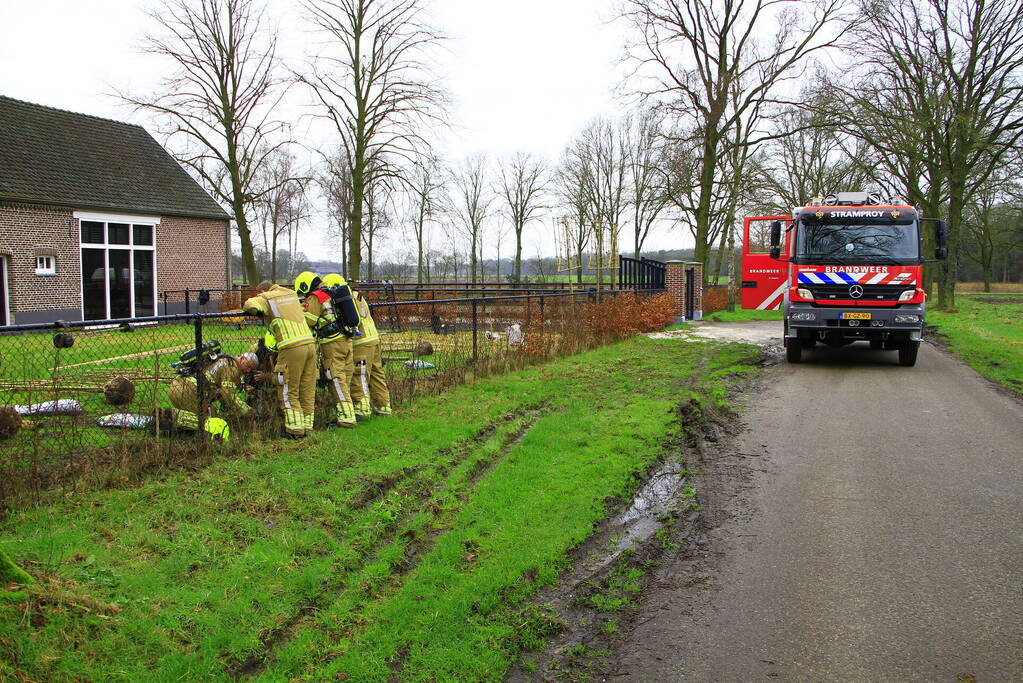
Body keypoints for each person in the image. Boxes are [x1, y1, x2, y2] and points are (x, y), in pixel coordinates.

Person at [243, 281, 317, 439]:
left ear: (263, 290)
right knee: (306, 389)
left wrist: (257, 307)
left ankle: (295, 431)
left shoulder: (267, 297)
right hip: (310, 344)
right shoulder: (291, 294)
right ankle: (306, 427)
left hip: (291, 346)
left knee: (287, 388)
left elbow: (251, 305)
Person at [295, 271, 357, 428]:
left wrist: (299, 310)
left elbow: (310, 321)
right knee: (345, 377)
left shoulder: (316, 296)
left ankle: (347, 418)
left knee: (336, 378)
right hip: (346, 339)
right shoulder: (331, 292)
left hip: (332, 343)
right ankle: (347, 412)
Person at [168, 352, 258, 441]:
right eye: (248, 366)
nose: (248, 370)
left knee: (212, 415)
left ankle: (180, 428)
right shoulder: (232, 368)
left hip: (178, 384)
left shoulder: (226, 359)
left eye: (251, 369)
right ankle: (166, 418)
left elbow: (222, 395)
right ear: (242, 358)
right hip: (189, 390)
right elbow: (228, 396)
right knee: (212, 423)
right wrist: (249, 412)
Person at [349, 287, 392, 417]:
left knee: (360, 374)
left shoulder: (347, 300)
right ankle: (383, 406)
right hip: (374, 338)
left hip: (361, 342)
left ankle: (361, 409)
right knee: (376, 373)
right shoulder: (358, 296)